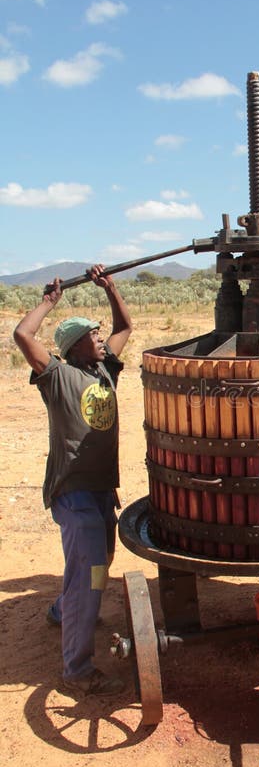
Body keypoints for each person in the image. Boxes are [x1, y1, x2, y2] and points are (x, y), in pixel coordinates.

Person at [13, 264, 133, 695]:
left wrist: (110, 286)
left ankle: (66, 609)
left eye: (100, 335)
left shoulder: (104, 372)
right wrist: (48, 303)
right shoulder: (57, 376)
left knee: (101, 560)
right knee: (89, 572)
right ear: (73, 347)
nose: (102, 339)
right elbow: (23, 337)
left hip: (101, 491)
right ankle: (77, 670)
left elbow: (125, 325)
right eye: (92, 335)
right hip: (74, 494)